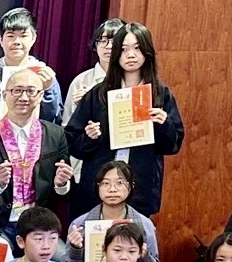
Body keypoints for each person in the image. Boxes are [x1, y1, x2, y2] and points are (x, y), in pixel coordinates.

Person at [65, 22, 184, 218]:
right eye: (124, 49)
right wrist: (89, 137)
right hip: (98, 186)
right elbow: (72, 141)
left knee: (134, 235)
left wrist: (164, 124)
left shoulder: (160, 94)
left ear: (147, 52)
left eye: (137, 48)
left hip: (140, 186)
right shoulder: (98, 94)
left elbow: (173, 145)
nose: (131, 55)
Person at [0, 69, 75, 226]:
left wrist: (61, 184)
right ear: (4, 95)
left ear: (40, 96)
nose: (24, 97)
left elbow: (66, 192)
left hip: (38, 224)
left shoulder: (56, 134)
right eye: (17, 90)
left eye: (31, 91)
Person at [0, 8, 64, 132]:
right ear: (1, 40)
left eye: (23, 36)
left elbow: (54, 121)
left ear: (33, 38)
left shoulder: (44, 76)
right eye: (10, 36)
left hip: (33, 142)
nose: (16, 42)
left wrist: (48, 90)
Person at [63, 160, 162, 262]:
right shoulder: (79, 224)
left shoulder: (145, 225)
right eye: (105, 183)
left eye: (119, 183)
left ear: (131, 186)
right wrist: (75, 250)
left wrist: (145, 257)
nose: (112, 189)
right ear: (98, 187)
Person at [62, 18, 124, 126]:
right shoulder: (81, 81)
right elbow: (67, 124)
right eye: (103, 41)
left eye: (115, 41)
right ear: (95, 45)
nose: (109, 46)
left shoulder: (132, 79)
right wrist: (82, 106)